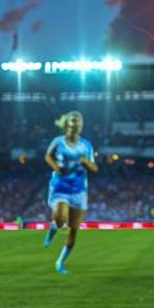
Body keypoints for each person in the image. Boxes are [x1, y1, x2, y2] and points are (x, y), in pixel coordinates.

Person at [42, 112, 97, 274]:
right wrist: (56, 167)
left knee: (73, 228)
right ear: (68, 124)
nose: (76, 124)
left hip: (79, 190)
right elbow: (47, 156)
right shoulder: (58, 142)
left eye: (79, 122)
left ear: (81, 126)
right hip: (60, 187)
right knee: (60, 217)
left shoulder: (86, 145)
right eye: (73, 121)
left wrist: (87, 163)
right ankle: (54, 227)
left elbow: (94, 168)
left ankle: (60, 262)